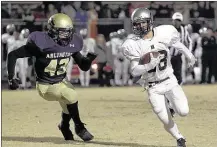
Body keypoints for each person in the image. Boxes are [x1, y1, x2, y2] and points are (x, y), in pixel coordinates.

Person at [7, 13, 96, 141]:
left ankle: (64, 126)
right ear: (52, 30)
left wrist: (88, 61)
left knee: (68, 105)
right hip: (45, 85)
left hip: (62, 82)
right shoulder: (41, 43)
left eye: (68, 32)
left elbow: (83, 66)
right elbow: (12, 55)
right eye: (62, 32)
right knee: (71, 96)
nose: (66, 36)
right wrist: (11, 77)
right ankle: (79, 127)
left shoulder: (72, 43)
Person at [122, 8, 196, 147]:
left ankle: (171, 105)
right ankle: (179, 138)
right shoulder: (133, 43)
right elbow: (134, 71)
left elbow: (177, 44)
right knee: (164, 118)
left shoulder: (163, 33)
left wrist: (189, 55)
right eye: (137, 23)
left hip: (169, 80)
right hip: (153, 86)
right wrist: (148, 65)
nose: (140, 26)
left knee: (184, 111)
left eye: (143, 23)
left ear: (150, 22)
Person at [170, 12, 192, 85]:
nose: (177, 22)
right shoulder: (168, 30)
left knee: (178, 74)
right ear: (173, 20)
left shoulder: (184, 30)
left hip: (178, 56)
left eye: (178, 20)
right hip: (168, 56)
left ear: (181, 22)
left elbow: (189, 41)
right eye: (175, 20)